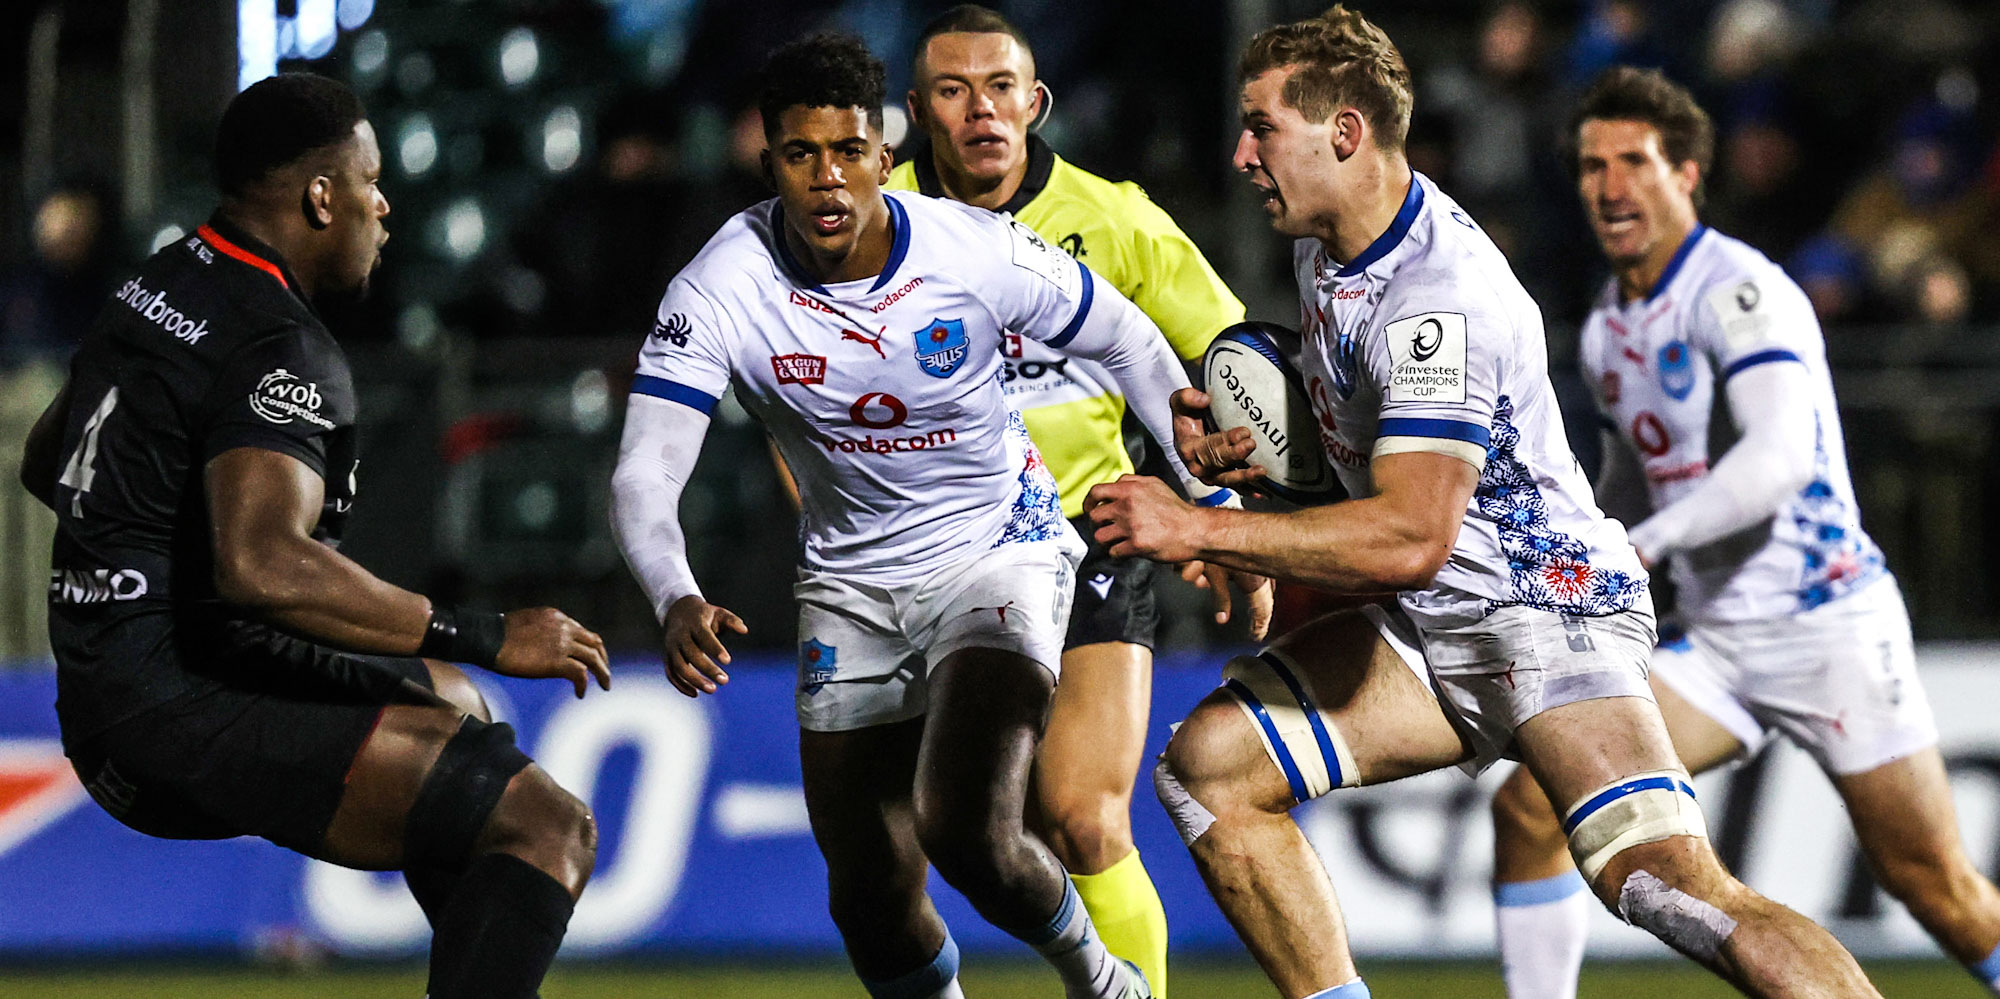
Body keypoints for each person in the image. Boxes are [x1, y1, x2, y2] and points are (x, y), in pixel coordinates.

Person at [1083, 8, 1884, 998]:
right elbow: (1380, 485)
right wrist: (1258, 467)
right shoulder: (1328, 239)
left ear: (1343, 135)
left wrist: (1198, 523)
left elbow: (1413, 533)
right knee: (1208, 770)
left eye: (1261, 128)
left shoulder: (1434, 298)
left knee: (1659, 882)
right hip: (1433, 626)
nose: (1241, 154)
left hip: (1543, 616)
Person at [609, 33, 1258, 999]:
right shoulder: (720, 285)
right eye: (801, 155)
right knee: (867, 889)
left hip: (1005, 550)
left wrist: (1209, 502)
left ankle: (1103, 981)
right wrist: (675, 592)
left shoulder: (970, 248)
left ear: (884, 151)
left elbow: (1125, 336)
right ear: (770, 163)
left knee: (965, 820)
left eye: (848, 152)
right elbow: (644, 473)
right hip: (850, 584)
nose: (829, 180)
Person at [17, 74, 610, 999]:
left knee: (466, 709)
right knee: (549, 825)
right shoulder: (279, 343)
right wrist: (487, 630)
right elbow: (263, 564)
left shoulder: (156, 284)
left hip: (106, 691)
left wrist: (145, 574)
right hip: (171, 707)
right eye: (371, 181)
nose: (385, 204)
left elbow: (47, 459)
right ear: (320, 196)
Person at [1486, 66, 2000, 999]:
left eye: (1635, 161)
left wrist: (1643, 545)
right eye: (1594, 166)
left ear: (1688, 174)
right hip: (1718, 644)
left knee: (1937, 887)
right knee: (1532, 804)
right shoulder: (1608, 328)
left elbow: (1778, 461)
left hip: (1826, 623)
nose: (1610, 186)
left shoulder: (1742, 293)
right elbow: (1631, 489)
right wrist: (1566, 547)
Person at [889, 8, 1266, 994]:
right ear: (919, 111)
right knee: (898, 846)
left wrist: (1224, 514)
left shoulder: (1116, 221)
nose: (982, 111)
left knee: (1087, 816)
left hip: (1087, 538)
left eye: (1001, 87)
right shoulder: (873, 220)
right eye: (953, 91)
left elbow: (1231, 362)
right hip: (924, 554)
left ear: (1035, 102)